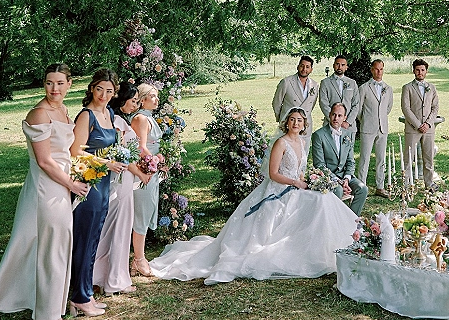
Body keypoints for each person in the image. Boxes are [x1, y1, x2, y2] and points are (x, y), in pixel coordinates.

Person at [150, 108, 358, 284]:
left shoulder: (303, 143)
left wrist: (309, 182)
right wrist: (295, 183)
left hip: (297, 187)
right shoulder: (281, 143)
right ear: (287, 123)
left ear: (304, 125)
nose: (296, 123)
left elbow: (300, 170)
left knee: (324, 198)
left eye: (300, 121)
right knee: (319, 202)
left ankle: (330, 248)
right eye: (292, 120)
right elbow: (274, 174)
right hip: (279, 190)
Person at [0, 63, 87, 320]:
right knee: (51, 252)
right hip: (48, 189)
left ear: (70, 84)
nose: (54, 89)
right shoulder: (38, 114)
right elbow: (45, 161)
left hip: (61, 185)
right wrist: (71, 184)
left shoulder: (63, 111)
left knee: (58, 248)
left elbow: (67, 151)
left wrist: (84, 168)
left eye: (59, 83)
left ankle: (48, 317)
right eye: (48, 83)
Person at [69, 69, 122, 317]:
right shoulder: (86, 116)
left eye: (109, 91)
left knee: (93, 241)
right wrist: (106, 164)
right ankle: (79, 296)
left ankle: (85, 293)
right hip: (88, 186)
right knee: (83, 241)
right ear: (92, 88)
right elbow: (76, 152)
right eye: (100, 89)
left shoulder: (108, 113)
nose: (104, 95)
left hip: (104, 185)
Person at [93, 82, 151, 295]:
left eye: (137, 101)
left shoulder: (119, 120)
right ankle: (112, 279)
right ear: (122, 99)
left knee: (117, 229)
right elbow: (122, 156)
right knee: (116, 229)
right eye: (133, 100)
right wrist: (141, 173)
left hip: (124, 181)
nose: (135, 105)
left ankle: (106, 276)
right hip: (120, 181)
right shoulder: (116, 121)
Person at [311, 103, 368, 216]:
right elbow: (319, 165)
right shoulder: (319, 135)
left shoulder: (348, 134)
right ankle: (334, 221)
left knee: (363, 189)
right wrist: (338, 181)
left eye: (339, 116)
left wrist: (346, 179)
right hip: (328, 177)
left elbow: (351, 161)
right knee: (338, 190)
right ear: (329, 115)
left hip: (345, 176)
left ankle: (351, 220)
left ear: (344, 118)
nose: (336, 118)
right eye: (334, 115)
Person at [130, 83, 163, 277]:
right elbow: (141, 148)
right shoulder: (141, 118)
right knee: (141, 214)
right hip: (143, 171)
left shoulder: (149, 118)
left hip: (152, 170)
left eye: (157, 96)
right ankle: (138, 260)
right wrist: (155, 161)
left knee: (147, 210)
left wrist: (163, 157)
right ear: (142, 99)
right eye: (152, 96)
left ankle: (139, 258)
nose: (156, 99)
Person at [401, 59, 440, 190]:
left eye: (422, 70)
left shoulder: (432, 88)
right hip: (413, 128)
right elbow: (406, 108)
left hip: (428, 129)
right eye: (417, 70)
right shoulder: (407, 88)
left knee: (428, 158)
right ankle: (405, 184)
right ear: (413, 71)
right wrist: (418, 125)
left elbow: (435, 107)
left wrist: (428, 124)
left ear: (426, 71)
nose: (420, 72)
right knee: (408, 158)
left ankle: (429, 183)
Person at [357, 59, 393, 197]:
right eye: (376, 69)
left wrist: (380, 119)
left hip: (383, 128)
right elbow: (359, 110)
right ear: (372, 70)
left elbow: (388, 107)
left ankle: (380, 186)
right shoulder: (364, 88)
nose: (379, 72)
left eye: (381, 69)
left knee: (381, 158)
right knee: (364, 158)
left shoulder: (388, 89)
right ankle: (361, 186)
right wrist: (366, 120)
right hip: (367, 127)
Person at [272, 56, 319, 152]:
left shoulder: (314, 85)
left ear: (311, 69)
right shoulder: (286, 82)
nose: (304, 69)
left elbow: (311, 105)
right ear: (298, 66)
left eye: (307, 67)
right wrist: (282, 118)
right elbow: (276, 103)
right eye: (302, 66)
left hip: (305, 126)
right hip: (288, 125)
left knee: (303, 155)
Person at [318, 55, 359, 141]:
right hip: (330, 125)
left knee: (348, 153)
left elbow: (356, 104)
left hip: (349, 126)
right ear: (333, 65)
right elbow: (323, 103)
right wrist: (335, 121)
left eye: (343, 65)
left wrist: (347, 122)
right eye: (337, 64)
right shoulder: (325, 83)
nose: (340, 67)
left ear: (346, 67)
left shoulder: (352, 83)